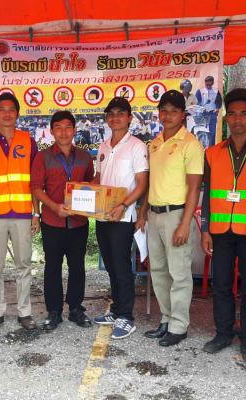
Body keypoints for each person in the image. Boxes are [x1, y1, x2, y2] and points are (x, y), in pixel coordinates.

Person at [140, 90, 204, 346]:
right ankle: (166, 320)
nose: (167, 116)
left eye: (174, 111)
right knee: (158, 271)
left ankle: (179, 326)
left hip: (177, 215)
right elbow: (151, 183)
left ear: (182, 114)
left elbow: (194, 188)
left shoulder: (191, 144)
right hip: (154, 215)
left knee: (179, 274)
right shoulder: (155, 143)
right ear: (158, 113)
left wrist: (185, 224)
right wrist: (143, 212)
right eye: (163, 111)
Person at [0, 93, 40, 331]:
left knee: (24, 265)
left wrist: (36, 214)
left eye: (11, 109)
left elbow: (35, 182)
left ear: (17, 114)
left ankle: (25, 312)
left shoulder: (28, 141)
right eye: (1, 109)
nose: (6, 113)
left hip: (23, 214)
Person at [31, 111, 94, 330]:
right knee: (52, 267)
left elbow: (91, 185)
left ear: (74, 130)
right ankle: (54, 311)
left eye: (68, 127)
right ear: (52, 131)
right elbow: (36, 188)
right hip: (52, 222)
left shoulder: (84, 157)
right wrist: (54, 207)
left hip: (78, 223)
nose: (63, 132)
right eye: (58, 127)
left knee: (77, 267)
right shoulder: (43, 157)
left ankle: (76, 308)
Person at [92, 98, 149, 339]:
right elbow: (98, 178)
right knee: (111, 265)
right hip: (103, 216)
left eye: (120, 113)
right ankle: (116, 310)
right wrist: (81, 192)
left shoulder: (137, 146)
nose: (115, 117)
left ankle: (127, 317)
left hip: (123, 217)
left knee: (123, 267)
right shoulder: (103, 146)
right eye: (111, 114)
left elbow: (142, 184)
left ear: (129, 118)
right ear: (107, 118)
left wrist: (124, 205)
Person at [201, 88, 246, 361]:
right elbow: (207, 194)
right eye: (233, 114)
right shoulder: (213, 153)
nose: (238, 119)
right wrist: (205, 229)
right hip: (220, 231)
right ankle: (223, 333)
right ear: (226, 118)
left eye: (243, 114)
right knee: (221, 284)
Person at [195, 76, 223, 146]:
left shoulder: (216, 91)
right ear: (205, 83)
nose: (208, 86)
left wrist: (217, 108)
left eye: (210, 85)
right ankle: (201, 147)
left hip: (212, 114)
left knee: (212, 132)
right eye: (207, 84)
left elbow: (219, 101)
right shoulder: (200, 91)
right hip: (202, 114)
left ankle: (211, 148)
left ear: (213, 83)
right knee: (201, 131)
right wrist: (201, 108)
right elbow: (196, 102)